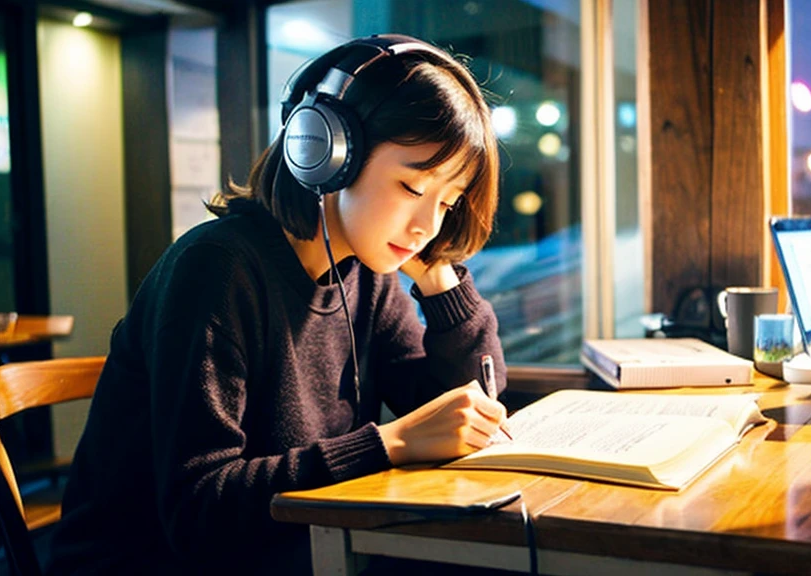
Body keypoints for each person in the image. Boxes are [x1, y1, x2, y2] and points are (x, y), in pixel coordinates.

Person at [47, 34, 507, 575]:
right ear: (327, 152)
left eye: (448, 202)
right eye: (412, 187)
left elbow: (468, 411)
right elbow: (198, 509)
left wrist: (441, 281)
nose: (429, 224)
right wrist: (387, 443)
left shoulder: (367, 270)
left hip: (305, 554)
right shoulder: (215, 270)